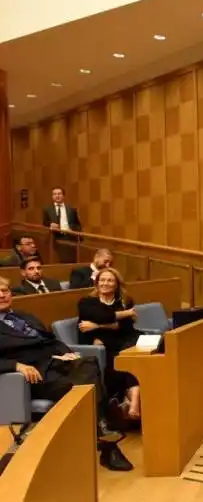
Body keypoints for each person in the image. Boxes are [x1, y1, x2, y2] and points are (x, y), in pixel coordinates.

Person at [0, 276, 133, 471]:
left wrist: (65, 353)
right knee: (88, 385)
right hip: (33, 375)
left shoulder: (24, 315)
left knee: (89, 363)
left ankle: (103, 432)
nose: (2, 295)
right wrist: (16, 365)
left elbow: (50, 339)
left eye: (5, 291)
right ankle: (107, 440)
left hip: (55, 362)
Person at [77, 267, 142, 420]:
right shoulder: (86, 302)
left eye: (110, 280)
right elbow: (101, 314)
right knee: (122, 360)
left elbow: (124, 327)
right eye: (102, 280)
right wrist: (125, 314)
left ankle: (132, 401)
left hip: (124, 340)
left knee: (135, 356)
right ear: (97, 283)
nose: (105, 283)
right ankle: (134, 402)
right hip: (101, 346)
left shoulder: (125, 301)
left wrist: (97, 325)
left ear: (117, 284)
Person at [42, 187, 82, 263]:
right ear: (52, 196)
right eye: (54, 194)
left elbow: (78, 225)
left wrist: (73, 231)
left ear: (63, 196)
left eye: (59, 194)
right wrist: (50, 224)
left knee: (71, 260)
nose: (57, 196)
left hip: (69, 237)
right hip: (54, 238)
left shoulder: (71, 209)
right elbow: (44, 223)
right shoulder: (47, 209)